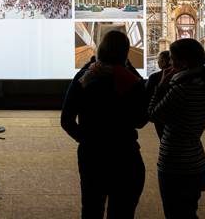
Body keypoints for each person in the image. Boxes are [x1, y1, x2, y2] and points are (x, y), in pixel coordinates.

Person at [61, 31, 148, 219]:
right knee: (122, 213)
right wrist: (129, 68)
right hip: (126, 156)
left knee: (92, 210)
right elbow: (141, 121)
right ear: (126, 53)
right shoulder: (132, 81)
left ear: (100, 49)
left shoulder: (85, 77)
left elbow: (66, 121)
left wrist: (86, 139)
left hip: (92, 156)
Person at [149, 38, 205, 219]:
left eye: (171, 58)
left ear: (183, 63)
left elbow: (153, 114)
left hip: (177, 166)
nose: (169, 63)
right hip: (197, 162)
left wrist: (161, 87)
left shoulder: (182, 89)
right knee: (187, 213)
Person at [145, 51, 171, 140]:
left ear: (164, 61)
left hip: (159, 114)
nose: (158, 62)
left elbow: (146, 94)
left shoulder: (154, 77)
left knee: (163, 139)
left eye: (159, 60)